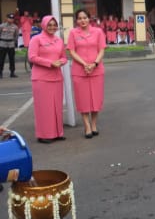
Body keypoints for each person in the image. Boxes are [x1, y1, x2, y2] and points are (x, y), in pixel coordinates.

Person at [67, 9, 107, 139]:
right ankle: (87, 126)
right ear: (76, 20)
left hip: (96, 70)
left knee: (96, 99)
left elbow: (101, 50)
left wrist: (94, 64)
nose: (82, 20)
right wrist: (84, 64)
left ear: (89, 19)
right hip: (79, 71)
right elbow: (72, 51)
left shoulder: (98, 32)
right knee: (83, 100)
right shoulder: (73, 33)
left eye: (85, 18)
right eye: (79, 18)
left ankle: (94, 124)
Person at [28, 16, 67, 144]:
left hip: (56, 77)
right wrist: (50, 63)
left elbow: (64, 57)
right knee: (44, 107)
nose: (52, 27)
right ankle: (44, 134)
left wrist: (60, 62)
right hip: (41, 78)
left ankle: (57, 132)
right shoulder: (36, 39)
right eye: (49, 25)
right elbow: (32, 57)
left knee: (56, 106)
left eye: (54, 25)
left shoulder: (59, 40)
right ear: (44, 25)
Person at [0, 13, 20, 78]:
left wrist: (14, 42)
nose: (11, 20)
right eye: (9, 18)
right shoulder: (2, 26)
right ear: (6, 18)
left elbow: (16, 36)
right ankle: (0, 73)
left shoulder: (15, 27)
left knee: (12, 59)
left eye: (12, 18)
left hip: (11, 44)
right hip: (3, 43)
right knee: (1, 59)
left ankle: (12, 73)